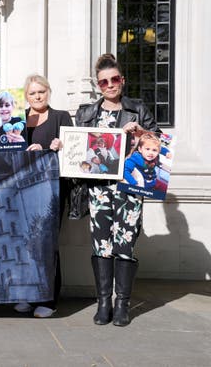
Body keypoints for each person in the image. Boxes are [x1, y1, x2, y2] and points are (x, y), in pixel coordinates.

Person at [74, 53, 160, 327]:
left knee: (125, 244)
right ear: (98, 86)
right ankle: (103, 303)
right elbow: (78, 150)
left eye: (114, 79)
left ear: (122, 80)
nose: (110, 85)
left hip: (130, 188)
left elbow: (158, 146)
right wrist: (65, 148)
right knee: (102, 245)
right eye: (104, 82)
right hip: (99, 190)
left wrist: (140, 134)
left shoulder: (137, 110)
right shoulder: (88, 113)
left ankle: (122, 304)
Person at [12, 74, 73, 318]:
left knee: (47, 243)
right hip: (23, 190)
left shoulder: (61, 117)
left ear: (49, 92)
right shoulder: (18, 119)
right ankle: (28, 295)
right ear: (26, 96)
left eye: (41, 92)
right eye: (32, 93)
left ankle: (48, 297)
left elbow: (76, 153)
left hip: (52, 189)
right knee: (25, 243)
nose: (37, 97)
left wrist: (55, 148)